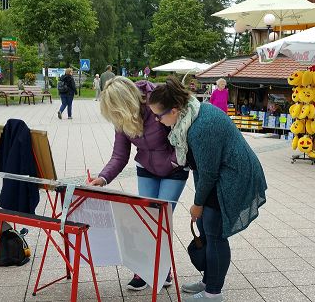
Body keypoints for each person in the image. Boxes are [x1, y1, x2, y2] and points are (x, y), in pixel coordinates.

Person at [148, 77, 267, 302]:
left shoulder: (201, 127)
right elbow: (201, 167)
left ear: (174, 110)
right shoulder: (189, 116)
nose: (156, 120)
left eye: (158, 115)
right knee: (205, 226)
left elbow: (209, 172)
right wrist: (199, 202)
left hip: (232, 177)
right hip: (220, 175)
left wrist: (198, 203)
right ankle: (208, 280)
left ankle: (214, 292)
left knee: (215, 233)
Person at [87, 76, 189, 290]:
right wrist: (103, 178)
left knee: (161, 219)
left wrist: (173, 162)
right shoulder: (123, 118)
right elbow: (119, 155)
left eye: (116, 111)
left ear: (126, 103)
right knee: (146, 219)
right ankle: (143, 270)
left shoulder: (156, 103)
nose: (115, 117)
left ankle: (163, 270)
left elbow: (182, 138)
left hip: (174, 169)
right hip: (146, 168)